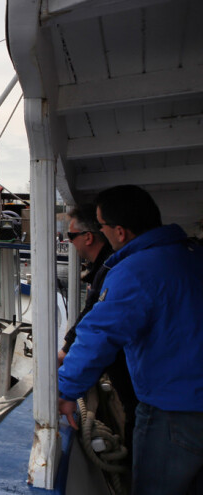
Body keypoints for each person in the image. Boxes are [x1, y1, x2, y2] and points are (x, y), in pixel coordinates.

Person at [57, 185, 203, 494]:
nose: (101, 233)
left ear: (120, 232)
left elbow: (99, 336)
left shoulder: (136, 270)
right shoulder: (193, 255)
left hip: (173, 412)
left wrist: (66, 391)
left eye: (102, 226)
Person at [59, 204, 138, 457]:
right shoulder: (117, 266)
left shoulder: (118, 270)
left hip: (157, 396)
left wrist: (67, 388)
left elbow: (97, 329)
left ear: (88, 237)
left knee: (137, 423)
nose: (70, 243)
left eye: (71, 236)